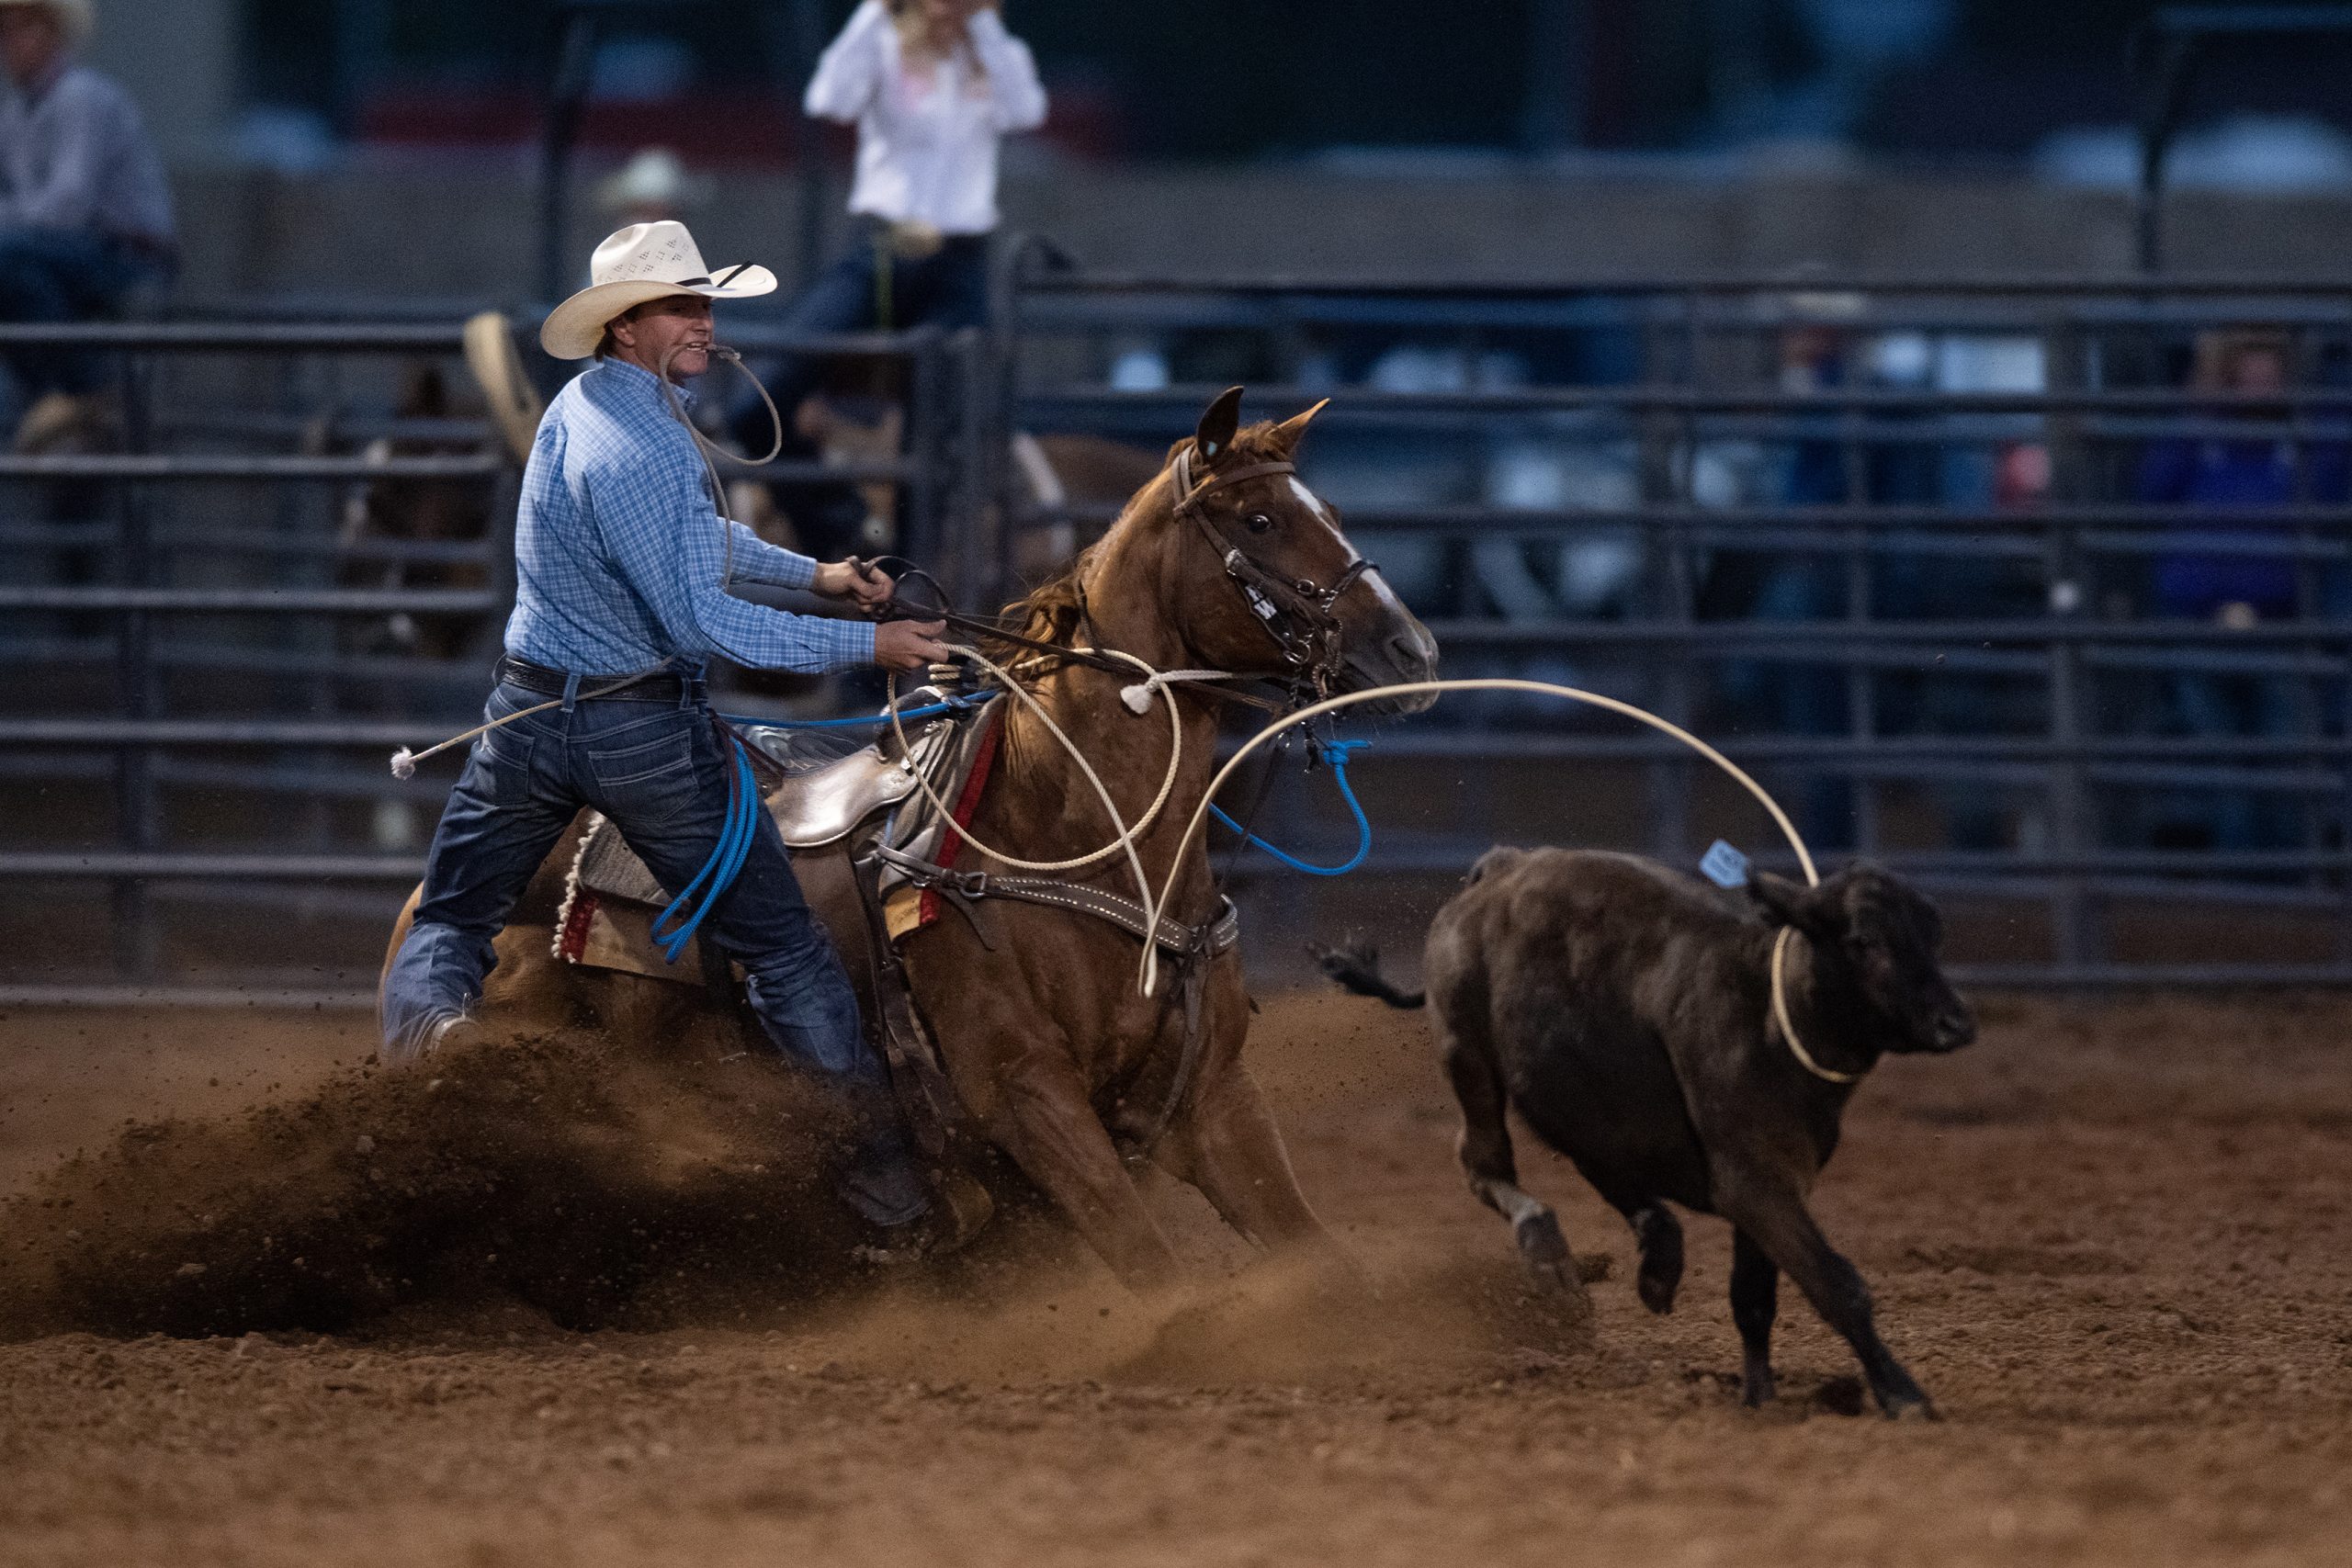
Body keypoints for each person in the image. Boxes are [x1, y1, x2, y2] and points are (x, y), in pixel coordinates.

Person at [379, 220, 954, 1235]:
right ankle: (888, 1200)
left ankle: (432, 1057)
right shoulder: (644, 443)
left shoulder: (589, 404)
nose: (705, 321)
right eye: (682, 307)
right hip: (639, 731)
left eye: (705, 304)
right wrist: (872, 647)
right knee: (785, 951)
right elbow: (704, 620)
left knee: (452, 920)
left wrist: (818, 574)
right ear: (627, 326)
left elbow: (691, 541)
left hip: (528, 711)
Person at [741, 0, 1046, 557]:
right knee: (757, 400)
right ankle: (837, 527)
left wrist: (981, 27)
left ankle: (911, 570)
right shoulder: (883, 43)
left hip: (957, 261)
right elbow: (828, 99)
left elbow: (1025, 111)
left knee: (940, 417)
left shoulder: (996, 56)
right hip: (880, 250)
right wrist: (874, 13)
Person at [0, 0, 175, 451]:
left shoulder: (82, 95)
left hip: (130, 256)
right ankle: (60, 400)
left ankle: (79, 391)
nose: (8, 44)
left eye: (19, 30)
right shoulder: (16, 111)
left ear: (52, 33)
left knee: (9, 257)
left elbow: (66, 206)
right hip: (70, 256)